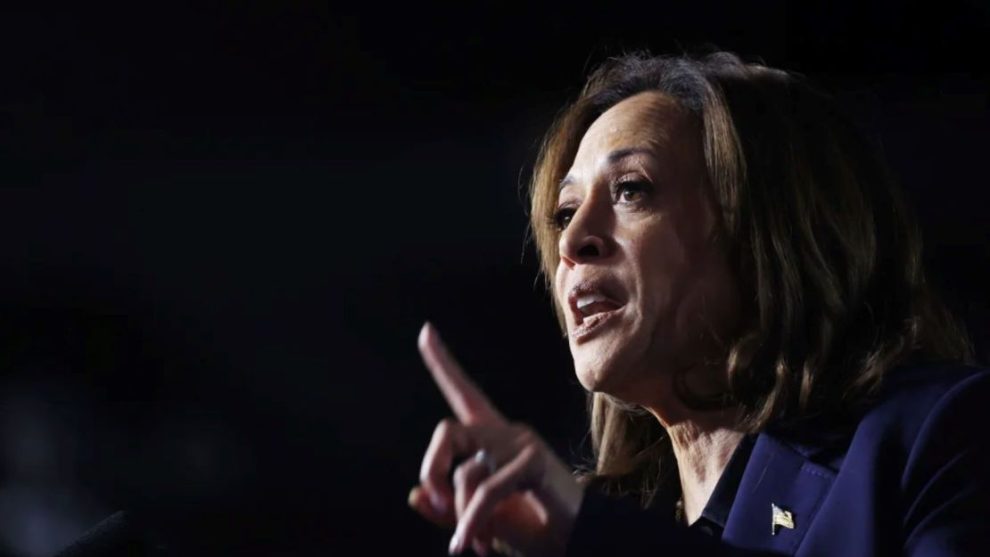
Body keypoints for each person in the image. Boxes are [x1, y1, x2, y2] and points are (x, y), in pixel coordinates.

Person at [407, 51, 988, 556]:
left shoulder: (940, 436)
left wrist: (596, 539)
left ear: (768, 232)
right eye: (564, 212)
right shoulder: (598, 531)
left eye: (631, 190)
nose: (571, 241)